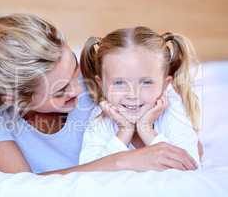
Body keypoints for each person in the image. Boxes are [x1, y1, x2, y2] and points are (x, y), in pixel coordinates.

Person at [0, 14, 198, 175]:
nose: (80, 88)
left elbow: (166, 152)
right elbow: (24, 187)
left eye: (74, 69)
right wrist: (122, 162)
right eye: (60, 91)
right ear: (13, 97)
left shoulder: (98, 84)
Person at [78, 27, 201, 170]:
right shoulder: (100, 118)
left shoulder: (172, 111)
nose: (132, 95)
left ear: (164, 85)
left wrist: (146, 129)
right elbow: (89, 173)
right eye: (119, 82)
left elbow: (190, 168)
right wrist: (124, 131)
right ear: (102, 85)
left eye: (146, 82)